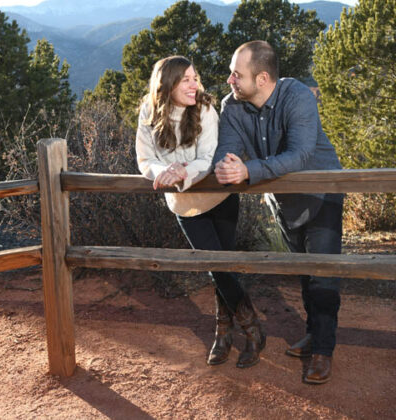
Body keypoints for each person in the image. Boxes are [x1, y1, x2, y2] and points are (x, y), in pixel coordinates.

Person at [213, 40, 343, 385]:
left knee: (323, 274)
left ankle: (323, 351)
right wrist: (225, 167)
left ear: (263, 79)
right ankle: (314, 333)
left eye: (236, 75)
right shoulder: (232, 107)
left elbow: (300, 155)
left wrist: (248, 170)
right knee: (303, 270)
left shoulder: (296, 96)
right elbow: (225, 153)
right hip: (283, 201)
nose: (229, 80)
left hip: (322, 194)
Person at [135, 55, 266, 368]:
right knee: (216, 266)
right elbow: (144, 159)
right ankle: (250, 329)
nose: (194, 85)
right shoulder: (148, 111)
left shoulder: (206, 108)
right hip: (185, 205)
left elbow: (208, 157)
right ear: (167, 84)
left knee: (222, 267)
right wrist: (161, 172)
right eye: (186, 80)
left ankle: (231, 332)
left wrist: (181, 172)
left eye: (195, 78)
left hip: (220, 199)